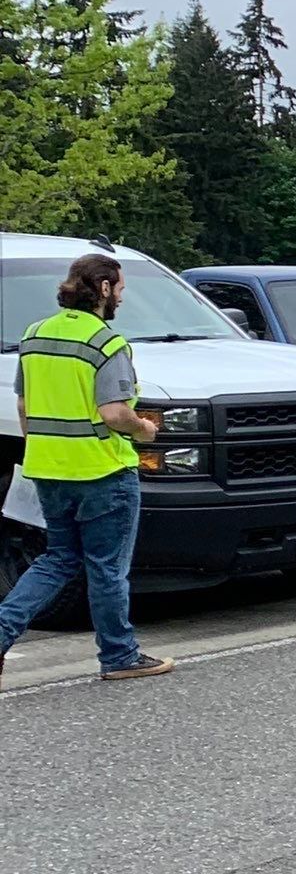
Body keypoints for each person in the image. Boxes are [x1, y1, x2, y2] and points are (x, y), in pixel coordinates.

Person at [0, 251, 174, 686]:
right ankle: (118, 655)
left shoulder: (35, 334)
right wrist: (145, 430)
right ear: (102, 289)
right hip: (103, 472)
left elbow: (24, 405)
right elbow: (115, 413)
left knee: (56, 559)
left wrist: (43, 446)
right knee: (107, 568)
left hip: (48, 468)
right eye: (119, 288)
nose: (121, 297)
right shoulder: (107, 343)